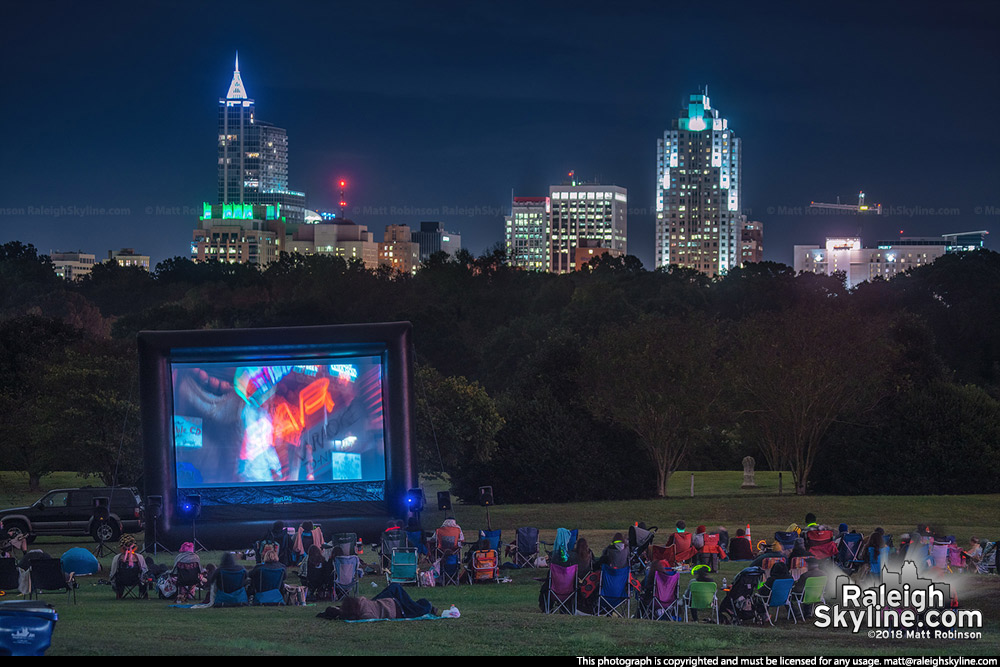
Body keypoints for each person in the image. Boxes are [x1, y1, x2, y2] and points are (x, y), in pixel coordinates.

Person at [316, 583, 440, 620]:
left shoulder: (354, 608)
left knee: (397, 589)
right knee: (420, 605)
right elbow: (372, 617)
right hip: (394, 607)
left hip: (384, 603)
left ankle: (426, 606)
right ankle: (429, 607)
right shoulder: (363, 613)